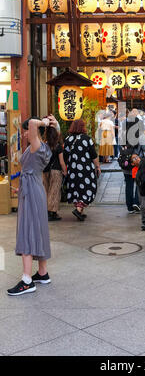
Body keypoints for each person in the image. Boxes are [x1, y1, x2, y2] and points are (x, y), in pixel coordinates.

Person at [7, 116, 58, 296]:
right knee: (37, 229)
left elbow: (34, 124)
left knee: (28, 230)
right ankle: (42, 273)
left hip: (33, 193)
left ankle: (27, 280)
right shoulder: (39, 146)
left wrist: (44, 122)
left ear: (35, 131)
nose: (24, 132)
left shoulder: (37, 145)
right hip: (33, 189)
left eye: (26, 129)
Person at [64, 119, 101, 221]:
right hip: (86, 169)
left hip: (72, 169)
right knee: (87, 187)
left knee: (76, 188)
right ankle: (79, 209)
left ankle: (79, 211)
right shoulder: (86, 139)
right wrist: (97, 166)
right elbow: (93, 155)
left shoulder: (68, 139)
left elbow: (65, 155)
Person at [43, 130, 67, 221]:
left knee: (46, 190)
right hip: (56, 170)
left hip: (45, 170)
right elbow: (61, 162)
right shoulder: (58, 146)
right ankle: (52, 212)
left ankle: (46, 211)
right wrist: (64, 171)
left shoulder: (44, 146)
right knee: (54, 192)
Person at [131, 152, 145, 231]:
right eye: (134, 159)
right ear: (132, 164)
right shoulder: (134, 170)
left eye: (137, 157)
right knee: (142, 207)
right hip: (141, 190)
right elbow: (137, 179)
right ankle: (144, 222)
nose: (137, 159)